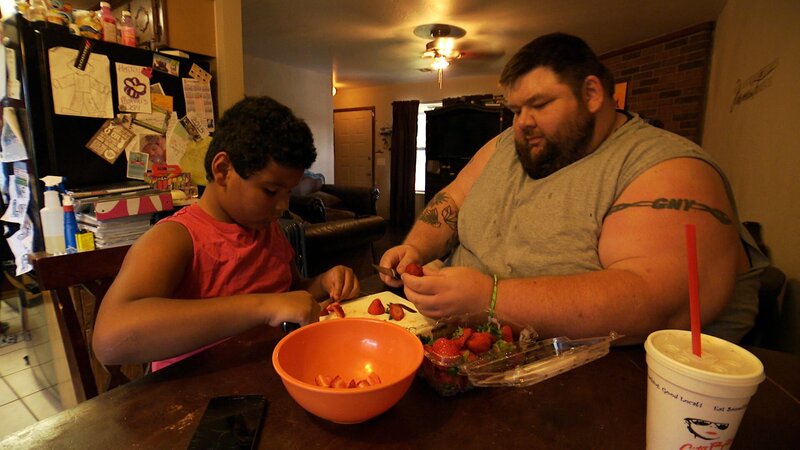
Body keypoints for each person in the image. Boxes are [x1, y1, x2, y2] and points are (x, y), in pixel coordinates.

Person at [379, 33, 765, 344]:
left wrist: (490, 299)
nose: (522, 123)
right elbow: (452, 198)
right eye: (516, 110)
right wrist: (417, 247)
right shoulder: (503, 146)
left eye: (540, 104)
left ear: (593, 94)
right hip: (455, 346)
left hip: (576, 375)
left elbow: (658, 302)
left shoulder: (668, 166)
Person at [93, 96, 360, 370]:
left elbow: (291, 294)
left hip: (270, 371)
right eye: (270, 191)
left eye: (288, 192)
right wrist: (264, 307)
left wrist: (323, 283)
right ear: (223, 170)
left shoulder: (267, 229)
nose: (282, 206)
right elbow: (109, 340)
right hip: (195, 395)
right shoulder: (176, 238)